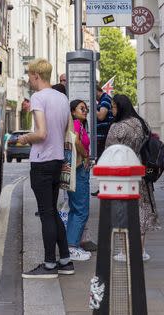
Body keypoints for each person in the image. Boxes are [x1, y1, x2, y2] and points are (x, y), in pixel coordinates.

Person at [19, 58, 75, 278]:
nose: (29, 80)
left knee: (46, 213)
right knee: (52, 210)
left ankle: (49, 264)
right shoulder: (62, 97)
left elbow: (41, 133)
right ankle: (66, 260)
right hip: (58, 159)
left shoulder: (38, 98)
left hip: (42, 161)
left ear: (35, 75)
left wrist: (25, 138)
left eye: (30, 76)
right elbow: (67, 130)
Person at [105, 94, 159, 260]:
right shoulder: (142, 123)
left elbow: (109, 150)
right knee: (141, 209)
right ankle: (141, 250)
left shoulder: (117, 127)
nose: (111, 110)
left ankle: (125, 251)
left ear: (120, 107)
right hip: (141, 172)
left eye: (113, 107)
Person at [65, 99, 92, 261]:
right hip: (79, 169)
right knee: (81, 209)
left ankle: (71, 245)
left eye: (86, 109)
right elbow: (75, 141)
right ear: (73, 111)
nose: (85, 111)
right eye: (81, 108)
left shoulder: (80, 125)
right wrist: (87, 155)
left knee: (76, 209)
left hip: (79, 169)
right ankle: (72, 247)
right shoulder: (75, 123)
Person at [94, 82, 114, 158]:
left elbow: (101, 116)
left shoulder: (105, 99)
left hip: (103, 138)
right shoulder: (102, 100)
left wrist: (92, 106)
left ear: (95, 91)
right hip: (101, 137)